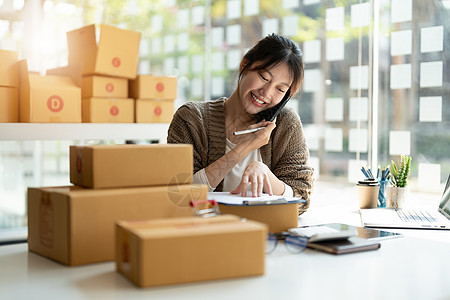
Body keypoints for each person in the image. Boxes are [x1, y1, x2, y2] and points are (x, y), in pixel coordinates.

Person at [167, 33, 314, 215]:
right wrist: (244, 148)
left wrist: (266, 174)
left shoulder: (286, 124)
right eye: (264, 77)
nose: (266, 93)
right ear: (245, 64)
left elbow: (302, 198)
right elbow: (179, 194)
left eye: (280, 89)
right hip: (204, 233)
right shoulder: (191, 118)